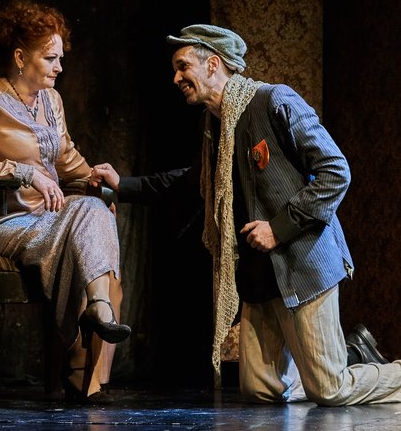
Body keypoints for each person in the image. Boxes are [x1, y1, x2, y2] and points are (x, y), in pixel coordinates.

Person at [90, 24, 401, 405]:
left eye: (183, 66)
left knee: (331, 390)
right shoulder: (214, 126)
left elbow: (335, 172)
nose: (176, 78)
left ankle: (347, 368)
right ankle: (344, 357)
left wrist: (278, 228)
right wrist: (122, 185)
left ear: (213, 64)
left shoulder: (272, 101)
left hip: (301, 264)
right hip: (258, 274)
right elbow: (191, 183)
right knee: (260, 389)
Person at [0, 0, 130, 404]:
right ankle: (84, 363)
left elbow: (67, 160)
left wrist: (94, 180)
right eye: (51, 58)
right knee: (90, 224)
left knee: (95, 210)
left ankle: (96, 318)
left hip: (47, 218)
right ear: (20, 58)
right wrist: (23, 171)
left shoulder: (52, 102)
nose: (59, 67)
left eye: (60, 58)